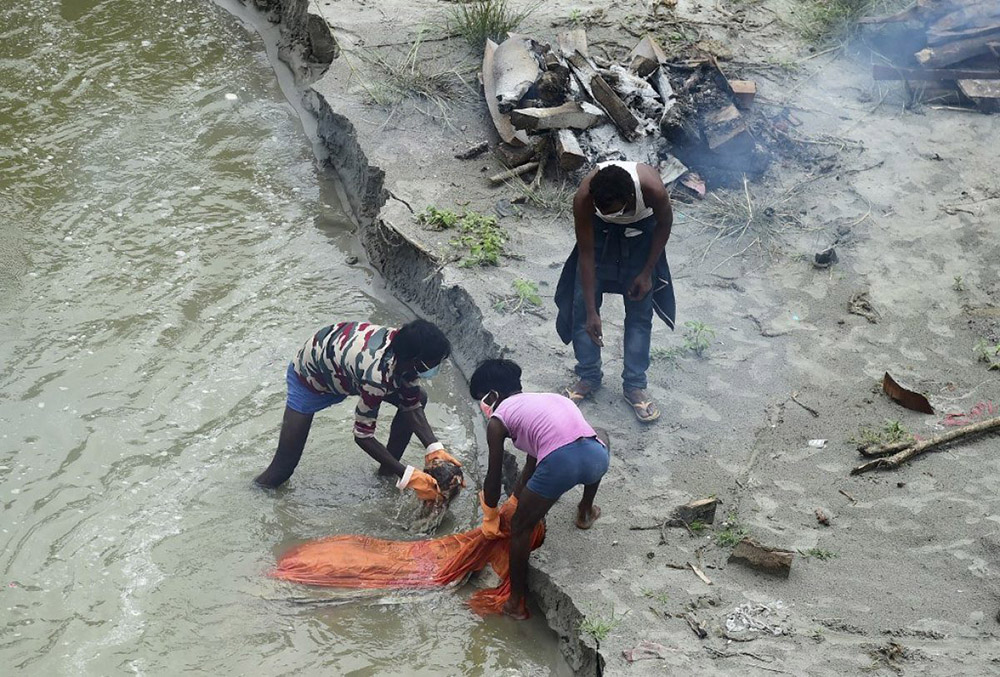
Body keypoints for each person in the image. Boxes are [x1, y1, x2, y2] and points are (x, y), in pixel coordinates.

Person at [254, 319, 460, 501]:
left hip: (347, 370)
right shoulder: (376, 375)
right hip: (311, 378)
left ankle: (387, 473)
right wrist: (409, 475)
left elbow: (412, 403)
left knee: (420, 397)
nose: (435, 369)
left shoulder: (405, 348)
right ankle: (253, 496)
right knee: (282, 469)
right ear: (413, 360)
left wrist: (434, 449)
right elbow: (362, 435)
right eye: (431, 364)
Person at [471, 358, 609, 619]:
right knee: (599, 435)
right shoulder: (545, 400)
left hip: (562, 464)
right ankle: (585, 510)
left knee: (521, 527)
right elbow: (535, 457)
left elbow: (494, 473)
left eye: (482, 399)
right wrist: (516, 497)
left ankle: (515, 603)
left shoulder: (498, 420)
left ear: (493, 395)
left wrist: (490, 513)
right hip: (597, 459)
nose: (483, 406)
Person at [554, 161, 676, 423]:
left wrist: (646, 272)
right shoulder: (584, 199)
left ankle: (634, 385)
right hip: (600, 237)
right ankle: (588, 376)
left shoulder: (652, 189)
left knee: (640, 315)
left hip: (643, 237)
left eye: (613, 209)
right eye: (601, 209)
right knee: (580, 308)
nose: (608, 212)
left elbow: (665, 226)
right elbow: (586, 256)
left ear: (631, 197)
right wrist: (591, 311)